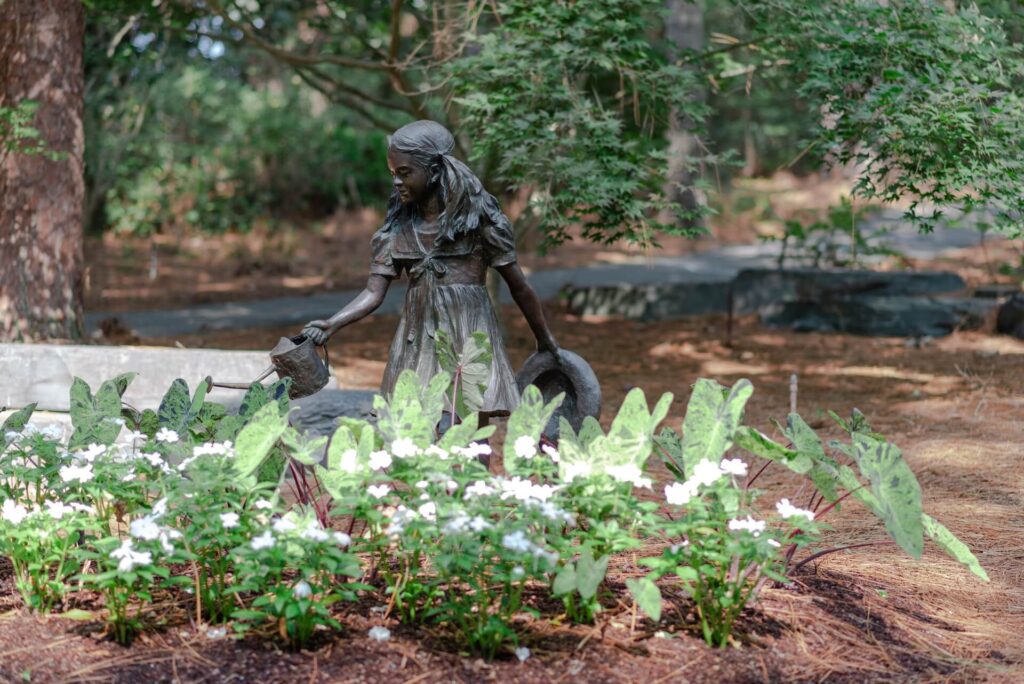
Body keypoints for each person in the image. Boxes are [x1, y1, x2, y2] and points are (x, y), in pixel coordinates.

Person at [301, 120, 559, 425]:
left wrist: (545, 341)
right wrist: (332, 324)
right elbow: (373, 293)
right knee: (418, 424)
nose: (396, 182)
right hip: (417, 341)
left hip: (468, 334)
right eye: (393, 174)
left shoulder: (478, 223)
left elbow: (519, 286)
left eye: (405, 173)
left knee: (468, 428)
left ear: (435, 171)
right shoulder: (397, 230)